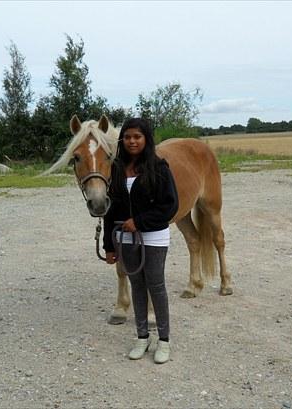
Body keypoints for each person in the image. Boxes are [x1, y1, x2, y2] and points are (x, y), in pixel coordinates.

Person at [103, 117, 179, 364]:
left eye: (137, 136)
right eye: (127, 137)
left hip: (154, 236)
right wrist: (109, 245)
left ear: (146, 139)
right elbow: (111, 209)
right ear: (122, 140)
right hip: (125, 237)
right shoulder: (116, 168)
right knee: (136, 286)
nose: (132, 141)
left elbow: (169, 206)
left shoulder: (159, 167)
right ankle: (142, 337)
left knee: (156, 286)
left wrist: (139, 221)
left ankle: (164, 341)